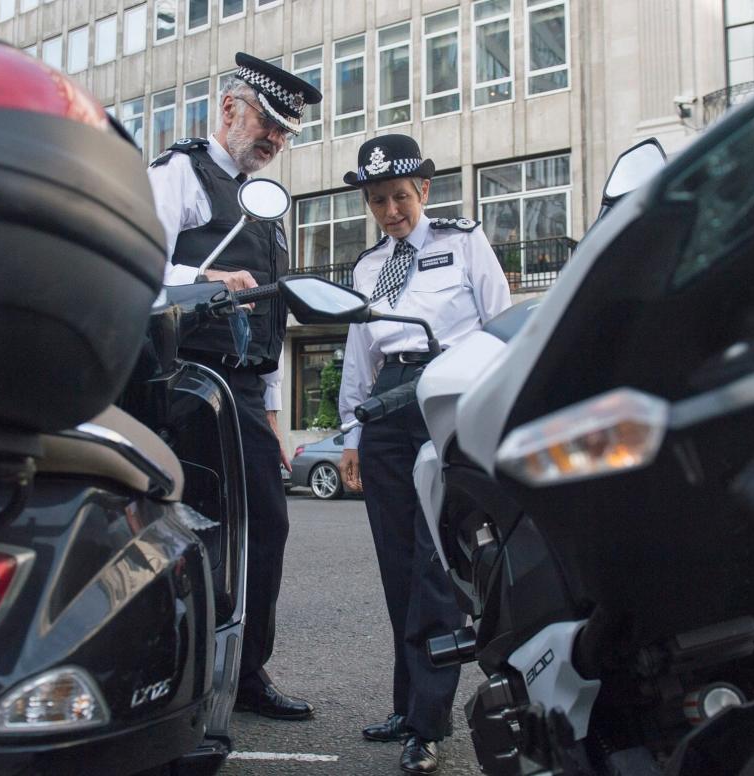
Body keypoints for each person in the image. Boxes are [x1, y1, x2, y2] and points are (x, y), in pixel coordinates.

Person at [146, 52, 321, 721]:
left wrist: (275, 416)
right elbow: (138, 262)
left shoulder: (262, 207)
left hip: (243, 391)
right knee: (184, 531)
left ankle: (245, 673)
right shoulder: (180, 172)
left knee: (263, 529)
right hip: (185, 380)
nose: (274, 139)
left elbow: (269, 321)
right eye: (267, 122)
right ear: (229, 109)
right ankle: (173, 670)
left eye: (285, 131)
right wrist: (207, 280)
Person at [337, 135, 511, 773]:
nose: (390, 211)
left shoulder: (463, 242)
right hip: (386, 408)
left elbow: (499, 327)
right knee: (397, 567)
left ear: (425, 193)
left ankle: (428, 725)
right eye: (378, 200)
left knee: (435, 573)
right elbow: (360, 360)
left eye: (400, 197)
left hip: (447, 398)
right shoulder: (365, 267)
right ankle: (406, 705)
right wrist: (352, 437)